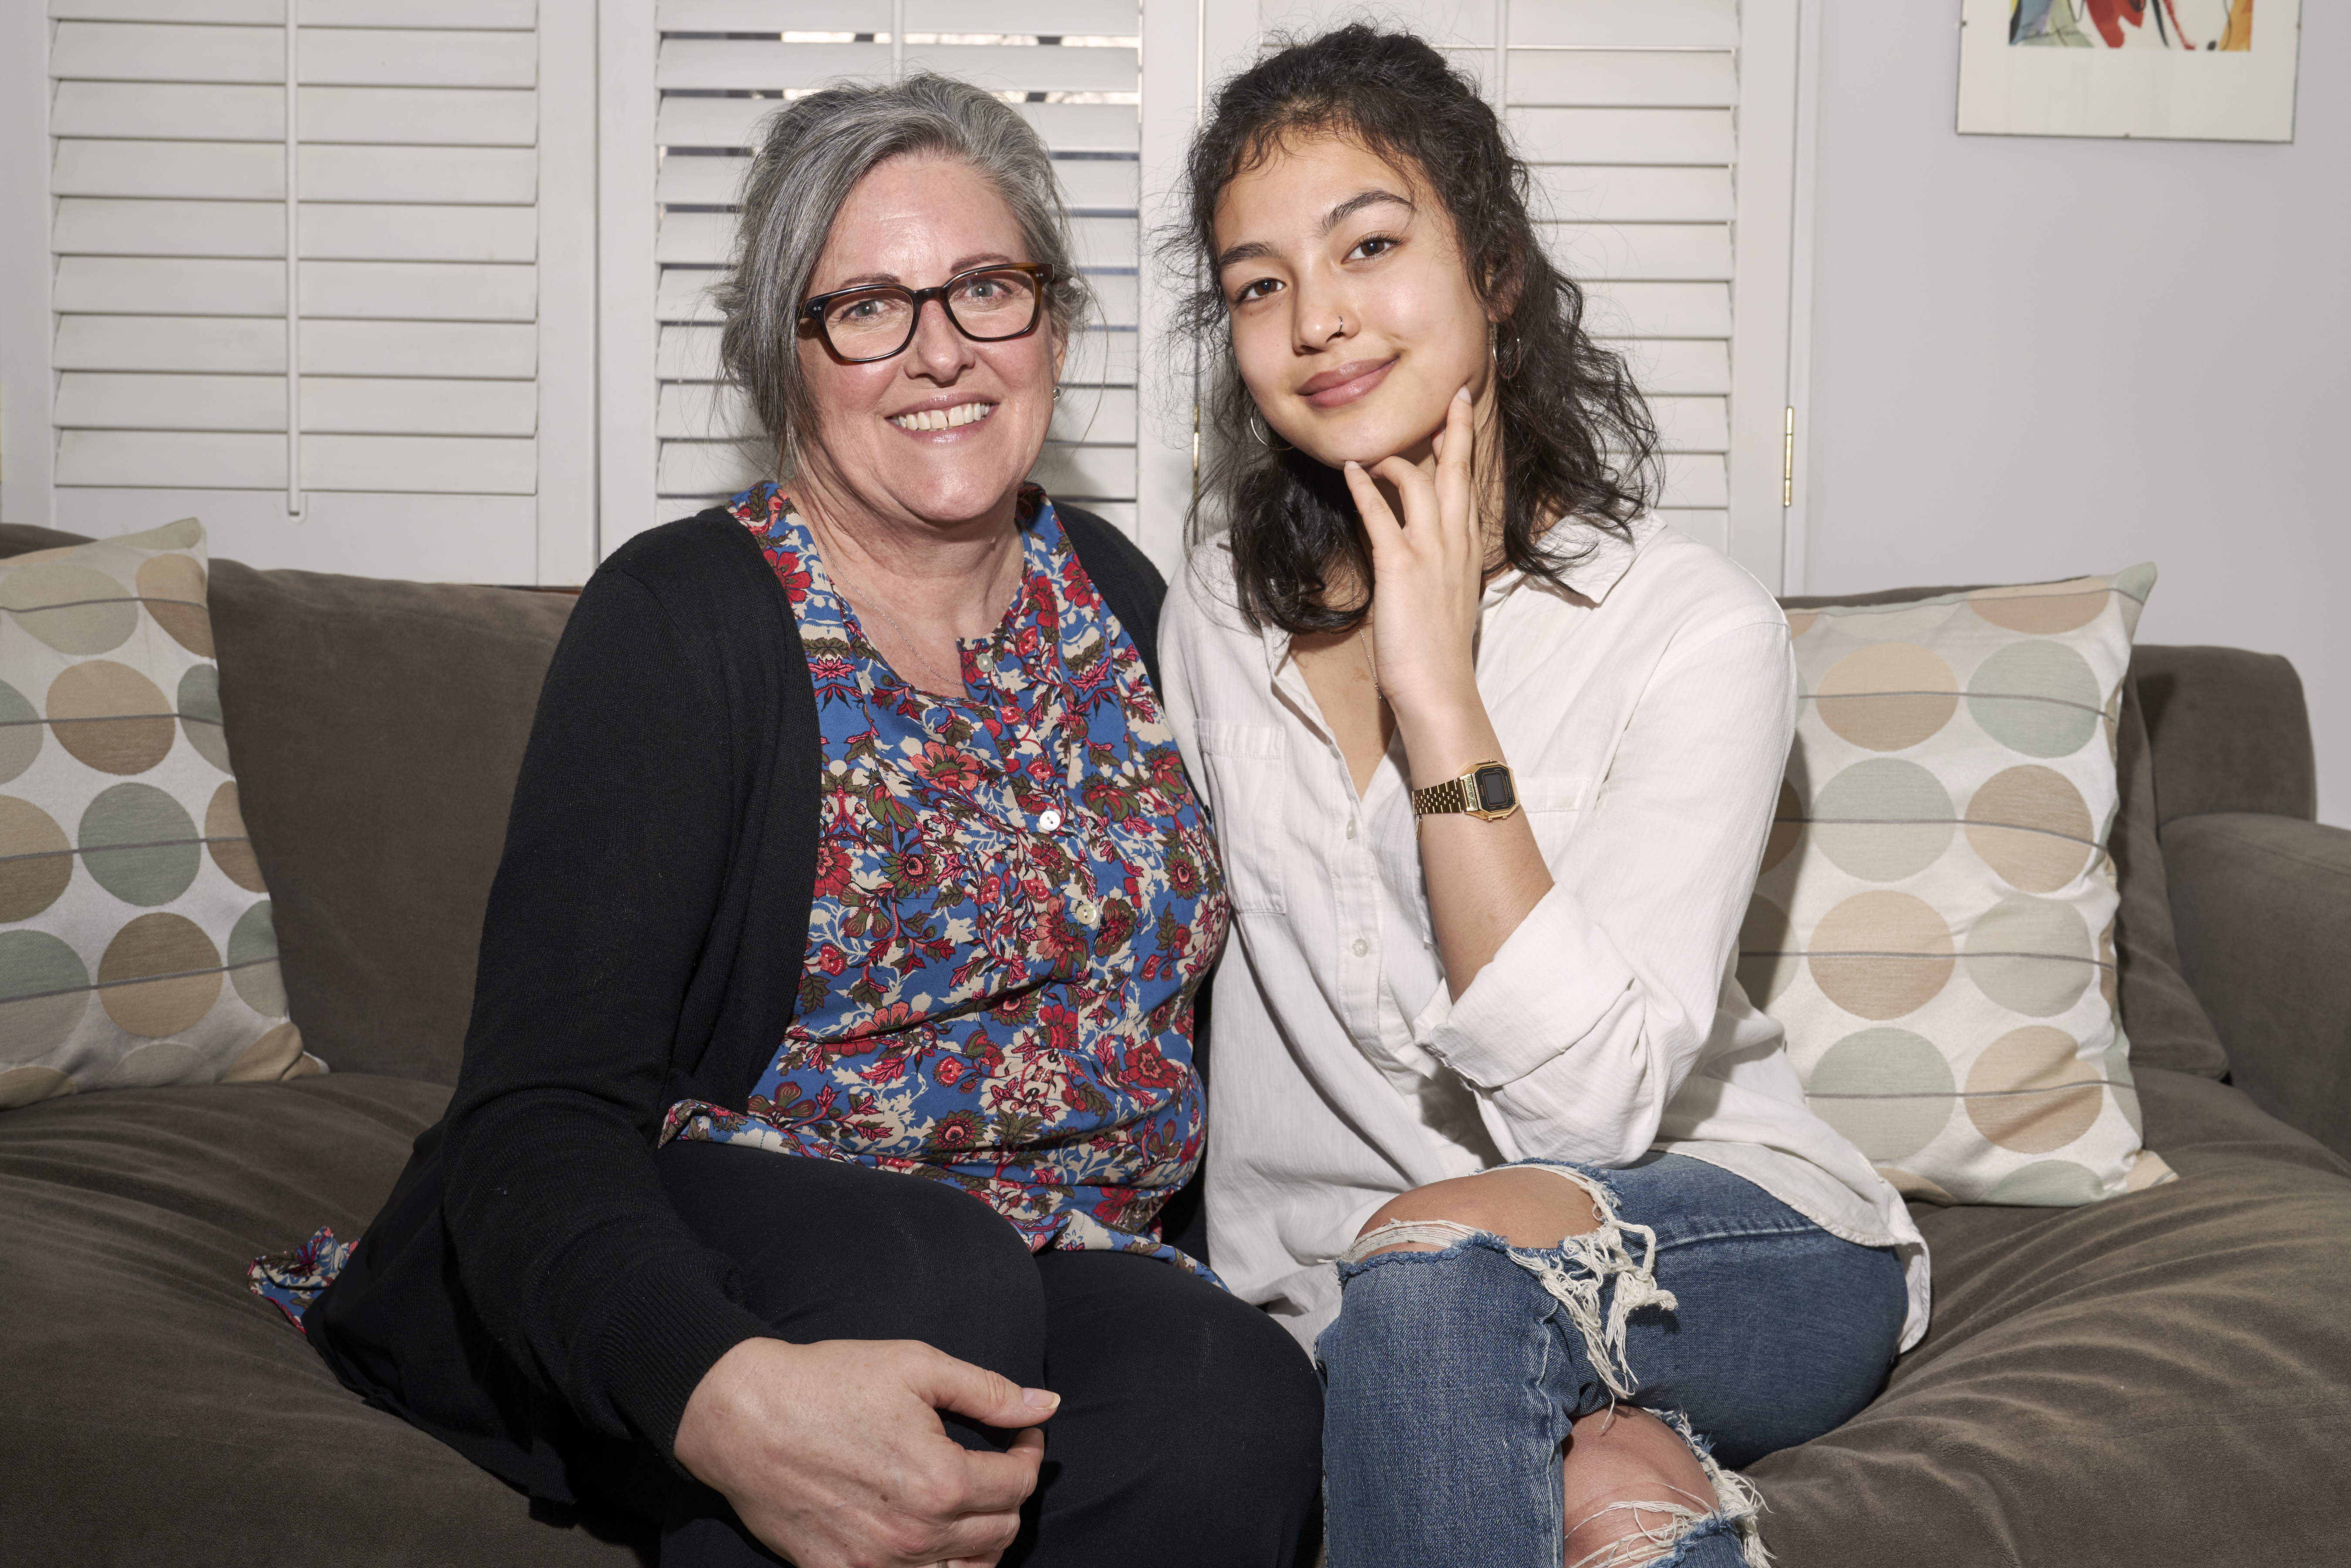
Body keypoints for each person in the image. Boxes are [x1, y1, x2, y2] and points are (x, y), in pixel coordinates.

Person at [257, 73, 1322, 1568]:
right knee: (922, 1270)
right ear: (786, 360)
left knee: (1235, 1392)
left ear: (1058, 327)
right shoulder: (679, 621)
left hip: (1054, 1249)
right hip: (718, 1247)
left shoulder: (1128, 602)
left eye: (987, 289)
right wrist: (712, 1389)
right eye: (867, 306)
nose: (941, 347)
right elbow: (537, 1113)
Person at [1157, 27, 1929, 1568]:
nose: (1316, 319)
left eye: (1369, 244)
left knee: (1442, 1271)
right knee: (1613, 1509)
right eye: (1257, 284)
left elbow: (1583, 1114)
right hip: (1352, 1295)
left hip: (1723, 1233)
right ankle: (1635, 1463)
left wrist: (1436, 686)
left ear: (1492, 269)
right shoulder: (1213, 622)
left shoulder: (1692, 628)